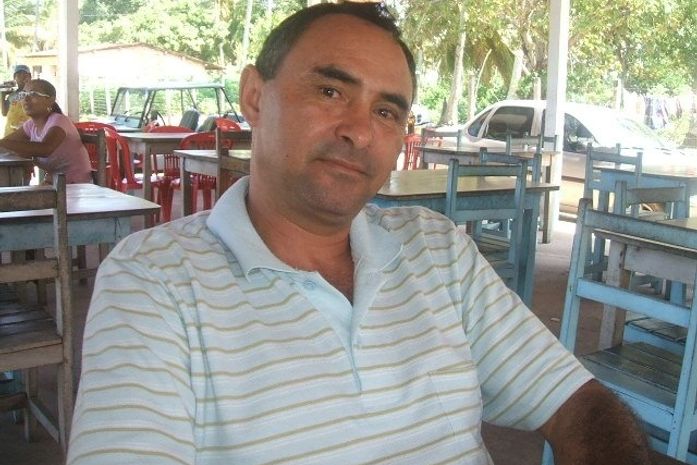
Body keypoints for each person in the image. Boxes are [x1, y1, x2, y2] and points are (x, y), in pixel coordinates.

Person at [67, 3, 651, 465]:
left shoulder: (438, 249)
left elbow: (577, 404)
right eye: (330, 91)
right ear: (254, 96)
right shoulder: (152, 280)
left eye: (386, 112)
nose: (359, 132)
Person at [0, 78, 92, 184]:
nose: (26, 99)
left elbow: (45, 149)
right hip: (55, 184)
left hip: (77, 186)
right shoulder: (31, 125)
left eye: (33, 94)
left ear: (50, 100)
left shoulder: (59, 120)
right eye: (23, 94)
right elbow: (6, 143)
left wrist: (4, 144)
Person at [1, 64, 32, 136]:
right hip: (10, 133)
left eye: (25, 75)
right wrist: (3, 95)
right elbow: (4, 113)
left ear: (30, 76)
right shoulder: (11, 96)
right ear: (14, 77)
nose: (22, 78)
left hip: (27, 133)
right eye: (19, 75)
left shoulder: (34, 93)